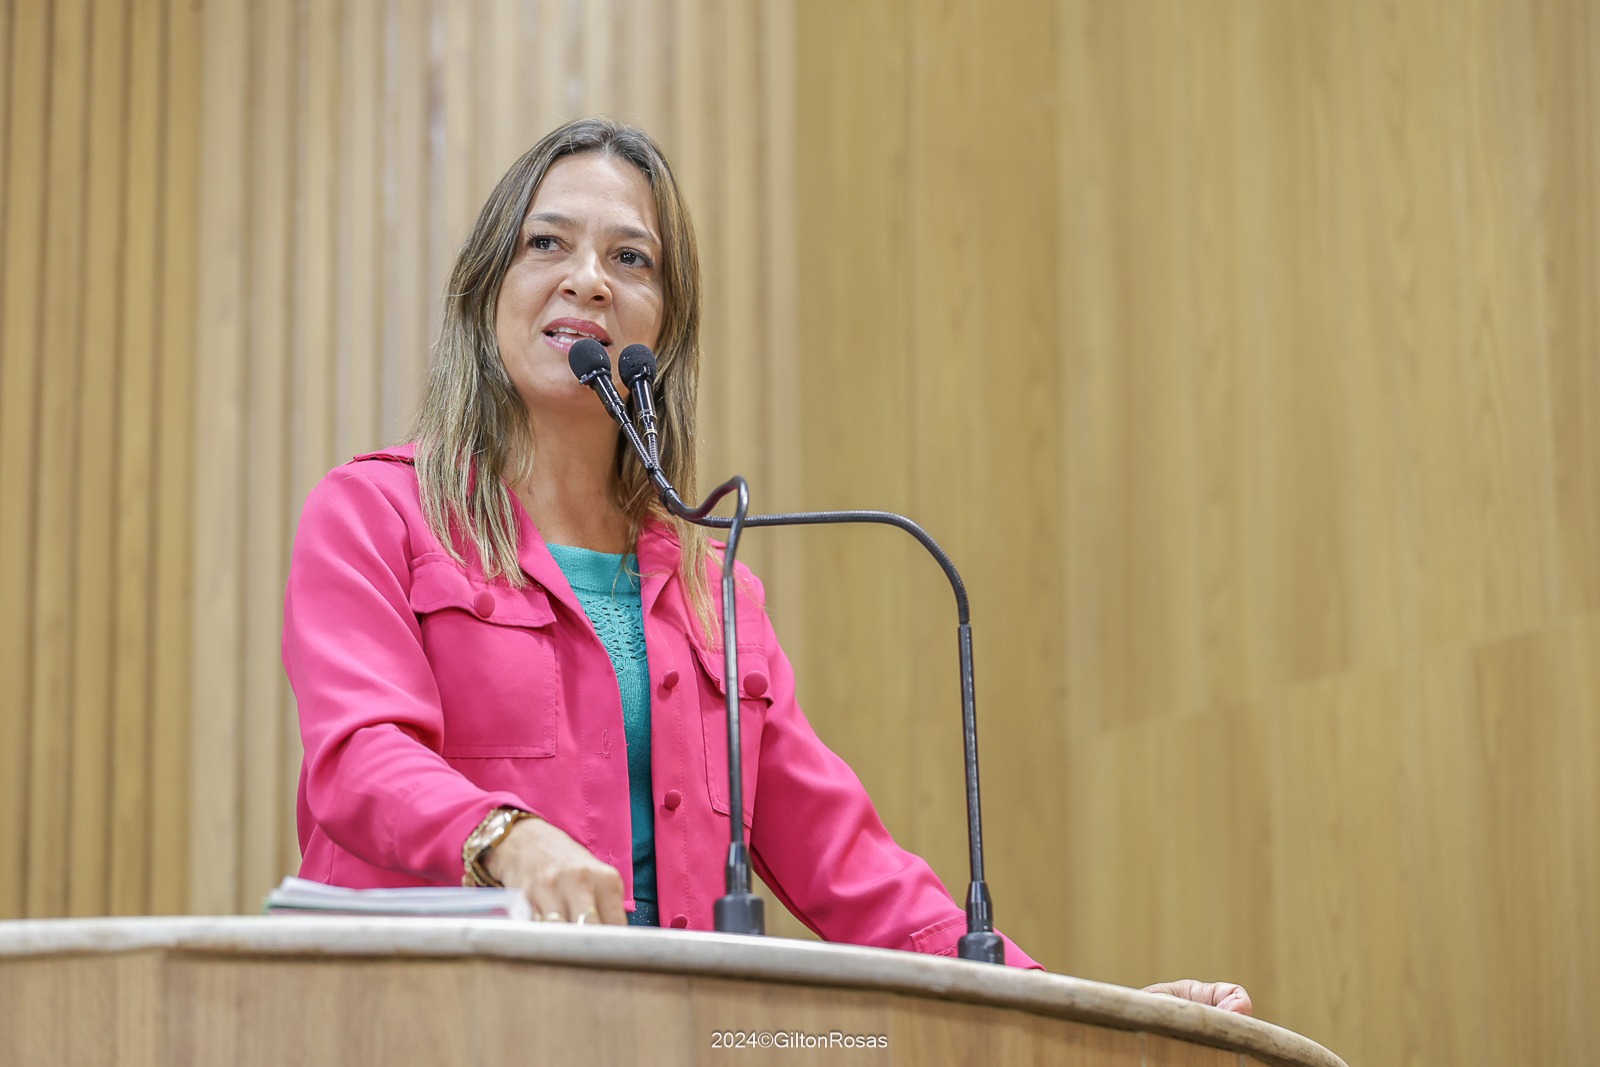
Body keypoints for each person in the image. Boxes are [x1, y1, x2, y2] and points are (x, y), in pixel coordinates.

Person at [282, 117, 1251, 1013]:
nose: (587, 279)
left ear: (663, 329)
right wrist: (507, 838)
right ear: (486, 285)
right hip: (435, 1023)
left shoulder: (717, 591)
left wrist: (1084, 1010)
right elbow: (359, 758)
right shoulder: (380, 512)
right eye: (547, 243)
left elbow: (851, 868)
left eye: (632, 258)